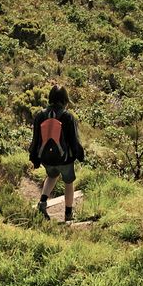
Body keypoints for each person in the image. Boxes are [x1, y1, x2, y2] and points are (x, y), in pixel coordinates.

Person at [29, 85, 85, 222]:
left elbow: (35, 139)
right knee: (68, 183)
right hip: (65, 159)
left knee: (51, 176)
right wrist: (79, 154)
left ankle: (42, 203)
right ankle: (68, 214)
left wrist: (34, 157)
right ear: (65, 99)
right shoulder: (67, 116)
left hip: (46, 158)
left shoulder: (40, 115)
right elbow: (74, 140)